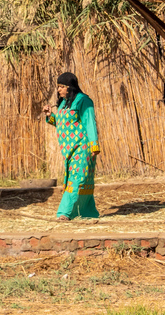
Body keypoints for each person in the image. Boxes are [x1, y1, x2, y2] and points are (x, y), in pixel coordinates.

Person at [42, 72, 100, 221]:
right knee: (81, 181)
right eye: (58, 87)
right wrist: (50, 116)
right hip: (69, 150)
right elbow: (63, 124)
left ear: (70, 87)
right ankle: (87, 212)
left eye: (62, 87)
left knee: (77, 179)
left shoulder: (84, 101)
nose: (59, 90)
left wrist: (94, 146)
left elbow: (89, 123)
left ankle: (64, 213)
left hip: (83, 147)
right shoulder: (63, 103)